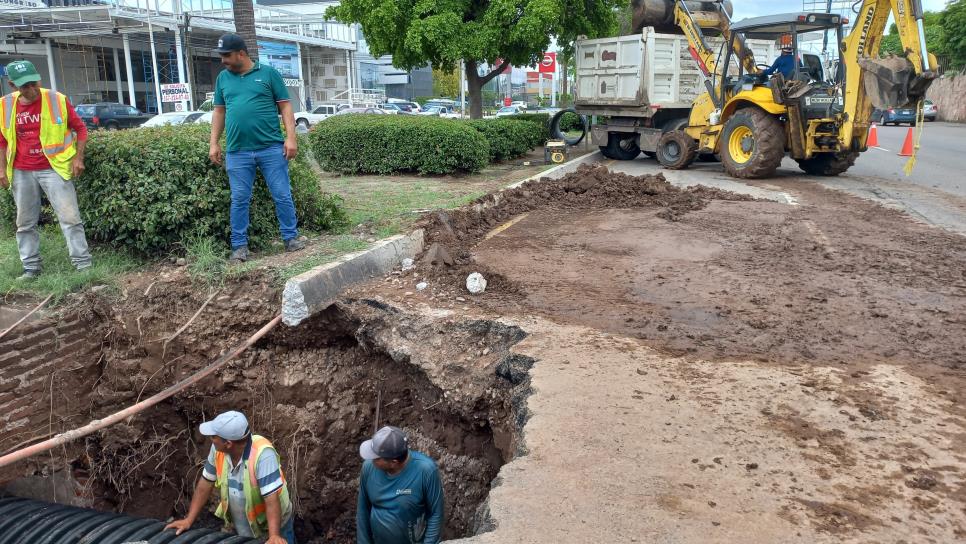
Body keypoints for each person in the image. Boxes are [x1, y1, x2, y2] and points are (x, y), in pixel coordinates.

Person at [209, 33, 305, 263]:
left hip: (271, 148)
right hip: (237, 151)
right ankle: (239, 247)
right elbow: (219, 112)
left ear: (241, 53)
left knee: (282, 194)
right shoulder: (223, 78)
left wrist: (291, 138)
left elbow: (285, 107)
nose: (223, 60)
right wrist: (213, 143)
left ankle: (290, 239)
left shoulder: (269, 74)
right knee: (240, 198)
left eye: (226, 55)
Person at [0, 60, 92, 280]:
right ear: (13, 85)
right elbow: (2, 140)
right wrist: (2, 169)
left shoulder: (56, 99)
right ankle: (31, 267)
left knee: (70, 218)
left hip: (53, 168)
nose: (31, 90)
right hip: (22, 171)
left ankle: (83, 265)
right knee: (24, 223)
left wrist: (78, 158)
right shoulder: (5, 105)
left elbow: (80, 129)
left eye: (34, 83)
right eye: (24, 86)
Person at [164, 411, 295, 544]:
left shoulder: (262, 455)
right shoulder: (217, 450)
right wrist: (188, 520)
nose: (211, 439)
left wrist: (274, 536)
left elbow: (271, 498)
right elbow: (205, 484)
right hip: (244, 523)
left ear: (228, 443)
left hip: (273, 524)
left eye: (214, 436)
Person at [357, 426, 444, 544]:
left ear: (394, 462)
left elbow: (436, 514)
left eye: (376, 457)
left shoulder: (426, 471)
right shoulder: (368, 468)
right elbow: (363, 509)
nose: (370, 459)